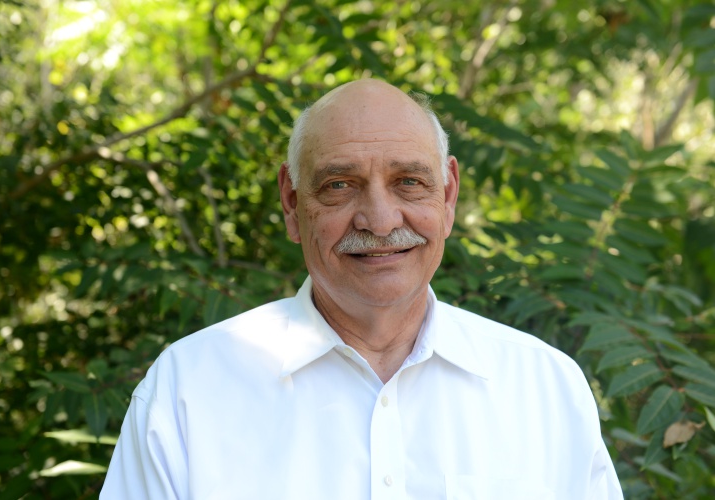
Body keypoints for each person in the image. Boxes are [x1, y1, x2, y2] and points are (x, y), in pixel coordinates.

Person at [101, 79, 623, 499]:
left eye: (409, 182)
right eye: (340, 185)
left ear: (448, 196)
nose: (378, 219)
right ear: (291, 201)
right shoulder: (188, 388)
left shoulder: (545, 388)